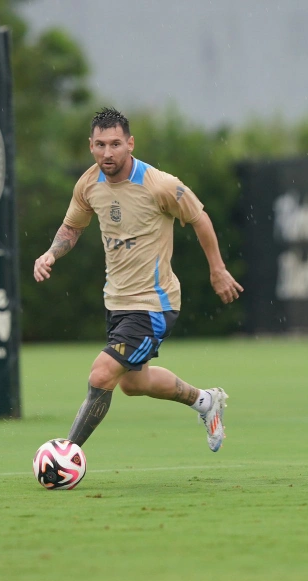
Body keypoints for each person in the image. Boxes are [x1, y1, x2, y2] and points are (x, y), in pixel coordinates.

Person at [33, 107, 242, 457]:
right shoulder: (89, 184)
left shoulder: (160, 184)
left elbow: (200, 218)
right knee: (133, 383)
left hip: (154, 304)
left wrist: (217, 270)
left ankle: (66, 455)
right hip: (117, 302)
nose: (107, 153)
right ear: (90, 145)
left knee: (101, 375)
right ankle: (205, 401)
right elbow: (72, 227)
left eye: (115, 144)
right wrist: (51, 253)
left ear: (130, 143)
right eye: (100, 145)